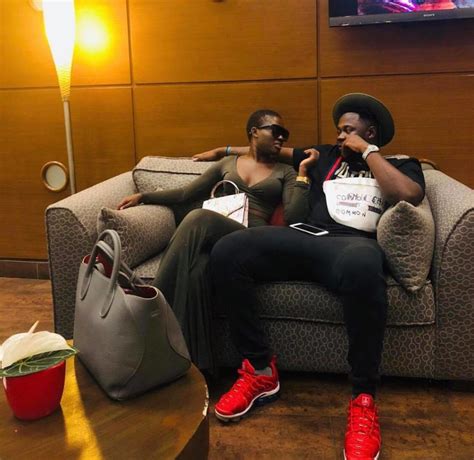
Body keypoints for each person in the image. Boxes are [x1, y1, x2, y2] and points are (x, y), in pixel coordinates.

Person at [195, 94, 425, 460]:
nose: (340, 136)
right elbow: (269, 148)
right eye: (338, 130)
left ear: (370, 133)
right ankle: (260, 369)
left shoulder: (401, 165)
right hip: (303, 235)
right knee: (229, 250)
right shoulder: (325, 155)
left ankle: (363, 399)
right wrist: (222, 150)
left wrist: (367, 153)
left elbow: (407, 195)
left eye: (348, 130)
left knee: (365, 267)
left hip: (351, 247)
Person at [117, 109, 316, 371]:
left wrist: (302, 173)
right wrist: (144, 197)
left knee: (199, 217)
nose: (282, 138)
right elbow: (186, 193)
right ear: (254, 132)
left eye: (285, 134)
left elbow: (294, 217)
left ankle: (149, 306)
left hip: (253, 239)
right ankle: (193, 367)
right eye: (275, 131)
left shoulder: (285, 171)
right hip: (220, 238)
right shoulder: (227, 164)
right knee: (197, 271)